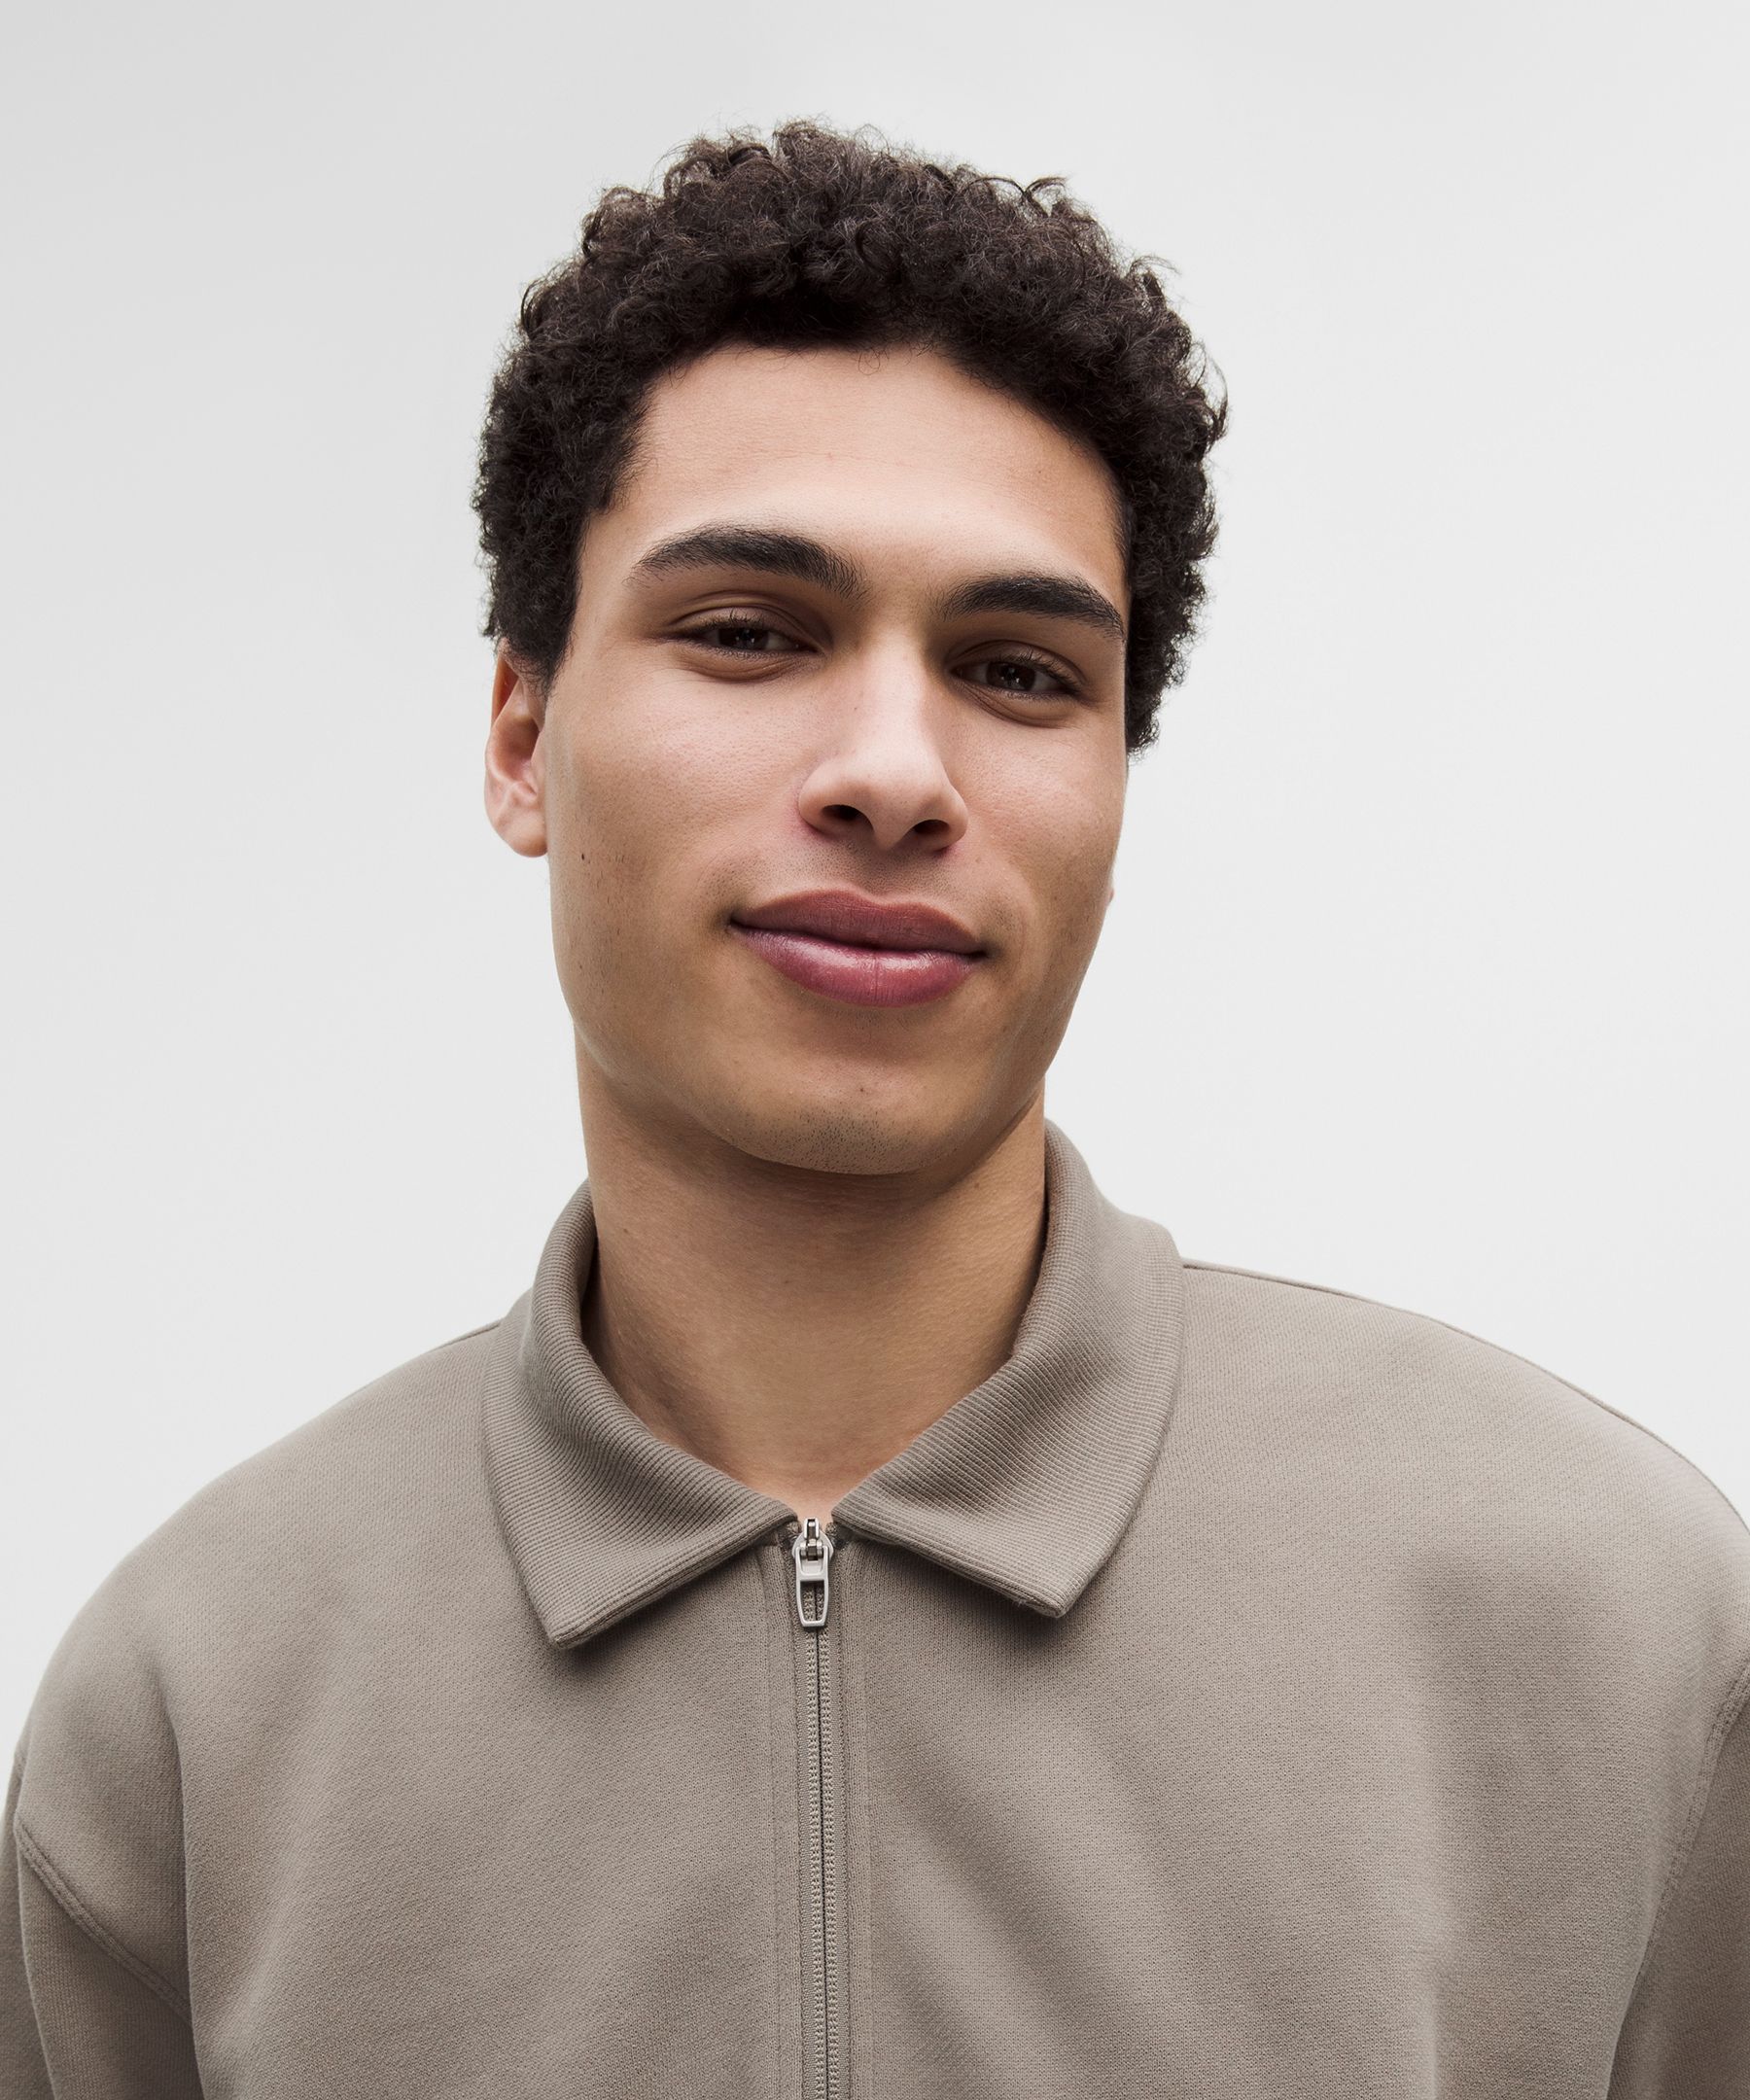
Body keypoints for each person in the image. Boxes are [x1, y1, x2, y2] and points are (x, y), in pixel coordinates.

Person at [3, 120, 1744, 2098]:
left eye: (1018, 671)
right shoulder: (188, 1719)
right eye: (749, 632)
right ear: (521, 736)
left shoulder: (1613, 1626)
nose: (896, 773)